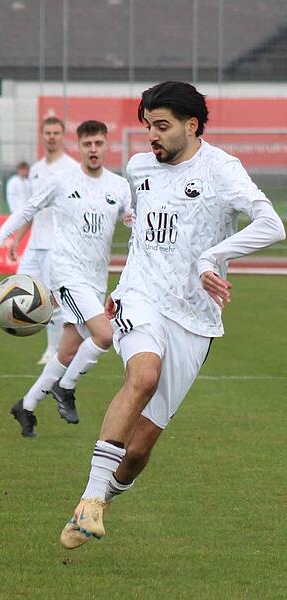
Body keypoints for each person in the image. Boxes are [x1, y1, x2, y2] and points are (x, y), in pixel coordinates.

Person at [58, 81, 285, 549]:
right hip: (140, 298)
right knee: (143, 375)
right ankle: (89, 500)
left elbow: (271, 224)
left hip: (194, 317)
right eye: (148, 127)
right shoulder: (139, 167)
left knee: (139, 450)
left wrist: (211, 257)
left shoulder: (222, 169)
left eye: (162, 127)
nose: (152, 137)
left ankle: (103, 500)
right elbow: (142, 232)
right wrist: (121, 287)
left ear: (192, 125)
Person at [0, 120, 133, 438]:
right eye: (87, 144)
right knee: (105, 335)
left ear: (107, 145)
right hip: (67, 273)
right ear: (78, 147)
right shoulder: (63, 181)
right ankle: (65, 388)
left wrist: (133, 219)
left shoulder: (119, 186)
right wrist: (0, 237)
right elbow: (28, 209)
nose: (93, 150)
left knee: (67, 352)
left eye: (98, 144)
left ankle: (26, 405)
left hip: (95, 278)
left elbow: (130, 218)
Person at [12, 117, 81, 366]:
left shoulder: (72, 168)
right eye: (48, 133)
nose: (51, 137)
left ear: (63, 136)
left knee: (54, 300)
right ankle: (49, 342)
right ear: (42, 136)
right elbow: (31, 208)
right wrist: (17, 238)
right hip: (34, 243)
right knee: (22, 291)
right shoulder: (36, 169)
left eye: (56, 133)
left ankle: (55, 351)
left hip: (57, 244)